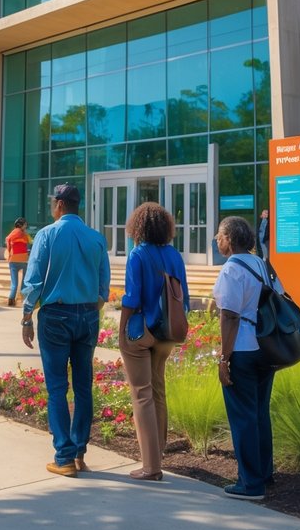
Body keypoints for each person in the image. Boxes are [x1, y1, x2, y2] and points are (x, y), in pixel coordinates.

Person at [21, 183, 110, 478]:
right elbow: (103, 286)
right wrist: (88, 308)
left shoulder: (48, 234)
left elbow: (33, 281)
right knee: (84, 385)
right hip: (87, 314)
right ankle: (80, 453)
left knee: (58, 387)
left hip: (56, 314)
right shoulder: (96, 238)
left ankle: (64, 457)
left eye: (51, 202)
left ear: (59, 204)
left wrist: (26, 316)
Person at [118, 202, 189, 482]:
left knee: (142, 394)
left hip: (142, 331)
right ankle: (157, 452)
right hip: (167, 332)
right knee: (158, 390)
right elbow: (184, 294)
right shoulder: (174, 255)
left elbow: (132, 297)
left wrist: (122, 329)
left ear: (138, 226)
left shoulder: (138, 254)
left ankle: (151, 466)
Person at [213, 215, 281, 500]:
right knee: (259, 413)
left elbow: (229, 317)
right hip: (266, 349)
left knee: (242, 417)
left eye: (219, 234)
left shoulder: (231, 270)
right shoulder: (262, 265)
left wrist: (223, 359)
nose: (217, 240)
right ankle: (264, 473)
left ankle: (250, 484)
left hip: (242, 351)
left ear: (229, 239)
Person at [5, 217, 31, 307]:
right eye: (25, 224)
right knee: (24, 282)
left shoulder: (11, 234)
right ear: (21, 225)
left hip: (13, 260)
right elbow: (29, 242)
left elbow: (8, 245)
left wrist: (9, 254)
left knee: (14, 283)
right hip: (23, 260)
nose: (26, 226)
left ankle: (11, 300)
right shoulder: (24, 234)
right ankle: (24, 301)